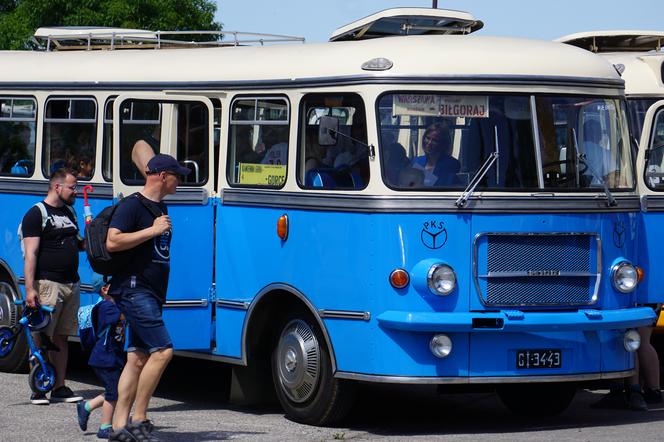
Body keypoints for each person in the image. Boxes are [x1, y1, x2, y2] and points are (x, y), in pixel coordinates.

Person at [106, 154, 190, 441]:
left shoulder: (160, 206)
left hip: (151, 291)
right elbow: (113, 241)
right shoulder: (132, 206)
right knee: (163, 351)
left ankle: (118, 427)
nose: (181, 180)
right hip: (134, 288)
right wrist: (151, 230)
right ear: (163, 176)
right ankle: (139, 417)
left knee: (138, 357)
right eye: (177, 175)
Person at [21, 168, 84, 405]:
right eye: (72, 187)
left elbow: (78, 244)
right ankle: (39, 388)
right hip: (47, 284)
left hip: (71, 283)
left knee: (61, 337)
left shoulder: (69, 212)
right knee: (41, 336)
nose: (75, 191)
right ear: (58, 187)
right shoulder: (36, 214)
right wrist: (30, 289)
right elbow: (31, 254)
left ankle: (59, 386)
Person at [76, 276, 125, 439]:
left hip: (110, 356)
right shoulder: (106, 307)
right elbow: (123, 317)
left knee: (114, 390)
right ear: (105, 289)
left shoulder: (111, 305)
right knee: (113, 392)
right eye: (117, 284)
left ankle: (87, 406)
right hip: (105, 358)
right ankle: (104, 427)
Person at [580, 119, 617, 186]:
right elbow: (614, 177)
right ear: (600, 135)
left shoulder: (573, 152)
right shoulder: (606, 154)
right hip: (599, 192)